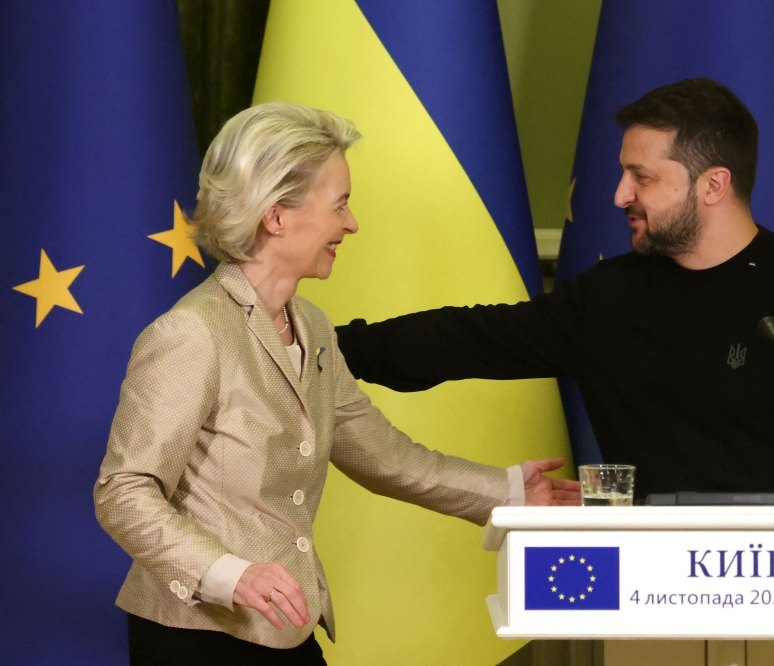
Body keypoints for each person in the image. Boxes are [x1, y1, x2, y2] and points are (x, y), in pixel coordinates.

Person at [333, 78, 774, 665]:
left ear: (714, 184)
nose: (619, 195)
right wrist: (315, 345)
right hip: (648, 617)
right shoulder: (609, 302)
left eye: (641, 176)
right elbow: (466, 340)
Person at [94, 102, 580, 666]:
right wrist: (230, 574)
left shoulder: (314, 329)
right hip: (195, 637)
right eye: (340, 204)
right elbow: (123, 491)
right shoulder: (191, 333)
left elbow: (387, 457)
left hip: (286, 627)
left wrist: (508, 492)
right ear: (276, 215)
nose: (351, 224)